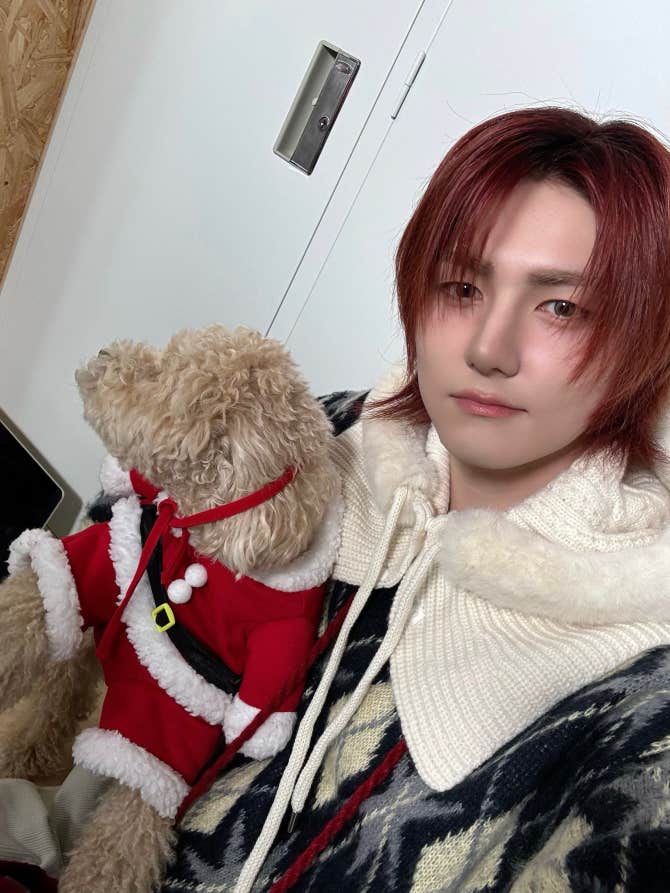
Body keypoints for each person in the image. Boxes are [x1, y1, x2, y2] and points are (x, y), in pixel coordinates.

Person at [159, 106, 670, 892]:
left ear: (643, 344)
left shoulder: (638, 674)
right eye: (462, 286)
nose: (488, 350)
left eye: (561, 307)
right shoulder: (314, 440)